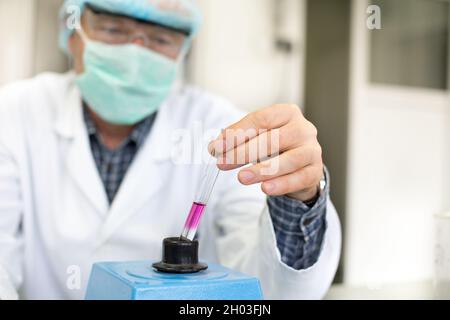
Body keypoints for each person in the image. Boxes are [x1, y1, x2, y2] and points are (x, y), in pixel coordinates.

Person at [0, 0, 341, 300]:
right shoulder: (14, 113)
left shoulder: (220, 128)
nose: (135, 52)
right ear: (72, 32)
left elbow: (270, 291)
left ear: (182, 49)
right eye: (113, 29)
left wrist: (298, 202)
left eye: (160, 39)